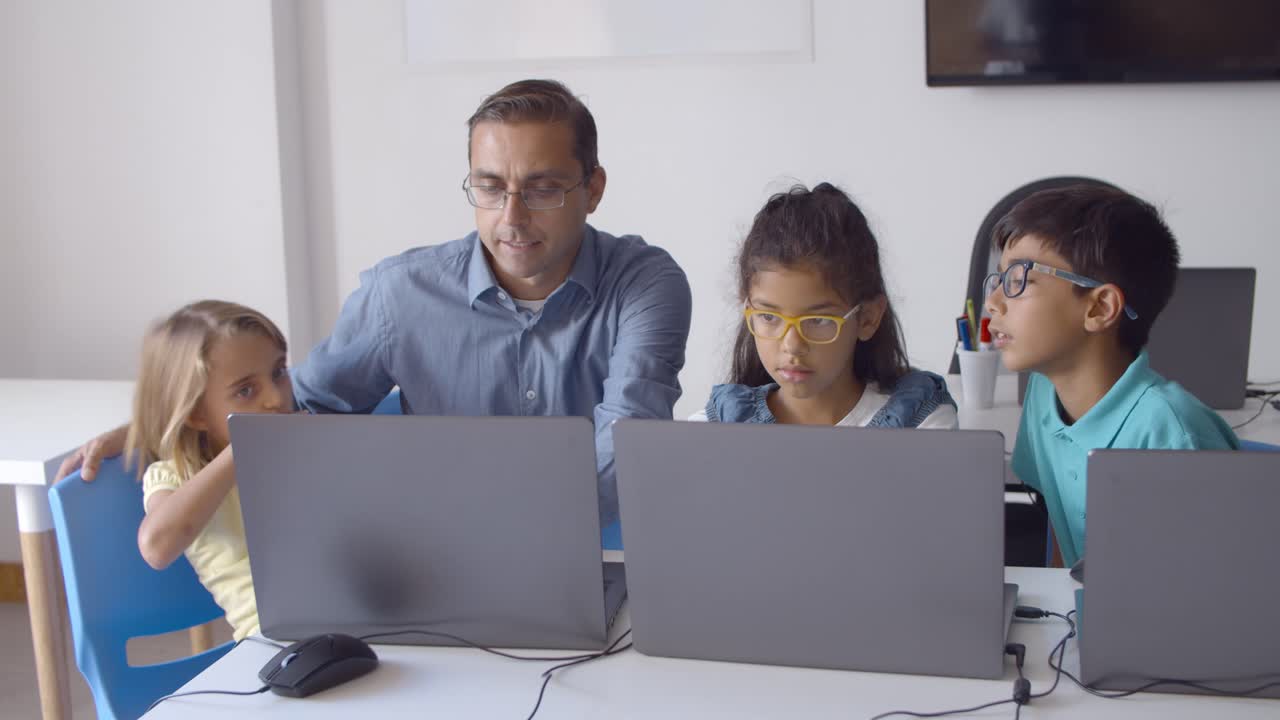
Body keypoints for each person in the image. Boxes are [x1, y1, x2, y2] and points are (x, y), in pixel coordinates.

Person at [58, 79, 693, 527]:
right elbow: (302, 407)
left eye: (544, 189)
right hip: (440, 559)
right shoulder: (400, 294)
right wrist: (164, 425)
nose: (511, 217)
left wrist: (510, 526)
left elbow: (628, 441)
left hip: (608, 553)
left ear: (594, 188)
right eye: (490, 187)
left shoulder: (646, 284)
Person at [986, 184, 1238, 568]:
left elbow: (1223, 584)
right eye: (999, 278)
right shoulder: (1044, 391)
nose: (993, 301)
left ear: (1100, 307)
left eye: (1020, 279)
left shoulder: (1173, 434)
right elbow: (1061, 524)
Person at [693, 183, 955, 428]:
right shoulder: (715, 427)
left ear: (867, 318)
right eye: (769, 317)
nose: (792, 345)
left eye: (818, 321)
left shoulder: (921, 424)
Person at [131, 301, 293, 640]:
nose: (275, 399)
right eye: (246, 390)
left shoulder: (298, 444)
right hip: (276, 640)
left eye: (278, 372)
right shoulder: (174, 474)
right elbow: (157, 546)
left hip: (362, 619)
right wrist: (239, 452)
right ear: (197, 415)